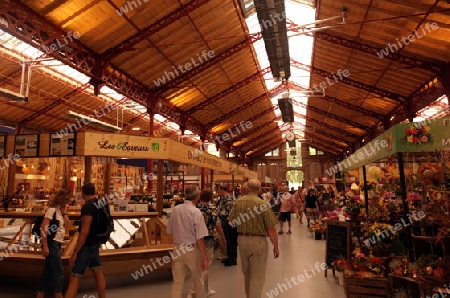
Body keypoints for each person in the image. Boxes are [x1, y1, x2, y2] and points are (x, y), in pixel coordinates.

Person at [228, 179, 279, 298]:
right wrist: (276, 246)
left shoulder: (238, 202)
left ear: (247, 188)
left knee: (247, 274)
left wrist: (243, 222)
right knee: (257, 276)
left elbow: (231, 222)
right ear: (259, 189)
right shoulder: (263, 204)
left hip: (242, 240)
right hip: (258, 241)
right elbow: (271, 228)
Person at [65, 183, 106, 298]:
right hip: (96, 243)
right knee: (97, 272)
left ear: (83, 193)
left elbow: (84, 231)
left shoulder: (88, 207)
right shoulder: (101, 203)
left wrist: (75, 253)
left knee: (74, 277)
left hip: (87, 245)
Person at [167, 185, 208, 298]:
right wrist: (204, 257)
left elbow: (170, 230)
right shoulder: (196, 212)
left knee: (177, 282)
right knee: (198, 281)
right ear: (196, 196)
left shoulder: (175, 210)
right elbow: (200, 237)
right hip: (191, 249)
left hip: (177, 248)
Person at [36, 190, 70, 298]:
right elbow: (44, 227)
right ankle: (58, 294)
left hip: (57, 243)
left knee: (48, 271)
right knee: (58, 270)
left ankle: (40, 294)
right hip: (52, 243)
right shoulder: (51, 210)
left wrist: (64, 212)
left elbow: (67, 225)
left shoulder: (60, 212)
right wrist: (45, 245)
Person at [187, 189, 219, 298]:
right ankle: (192, 291)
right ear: (210, 197)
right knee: (205, 266)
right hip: (208, 239)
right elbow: (217, 225)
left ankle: (206, 289)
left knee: (199, 265)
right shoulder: (212, 209)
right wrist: (223, 238)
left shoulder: (194, 208)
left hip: (194, 239)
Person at [216, 186, 237, 266]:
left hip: (230, 220)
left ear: (222, 190)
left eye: (219, 191)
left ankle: (233, 259)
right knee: (227, 239)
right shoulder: (222, 198)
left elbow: (230, 210)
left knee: (231, 239)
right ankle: (229, 256)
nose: (218, 192)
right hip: (224, 219)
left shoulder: (229, 199)